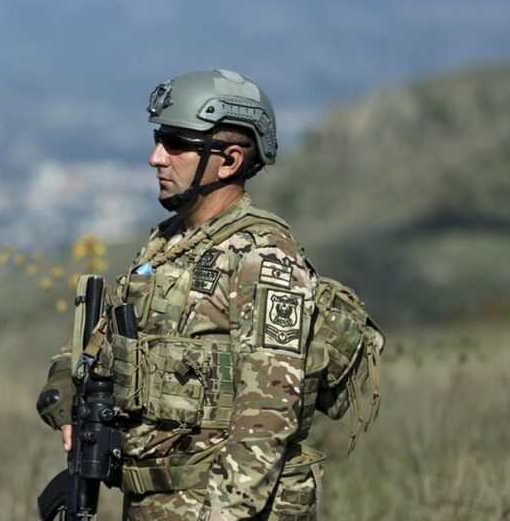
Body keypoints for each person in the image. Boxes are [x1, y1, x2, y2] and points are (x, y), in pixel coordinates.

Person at [37, 69, 325, 520]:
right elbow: (106, 336)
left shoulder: (264, 257)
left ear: (228, 160)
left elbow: (267, 419)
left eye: (175, 144)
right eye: (158, 140)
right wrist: (64, 380)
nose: (156, 157)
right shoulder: (168, 243)